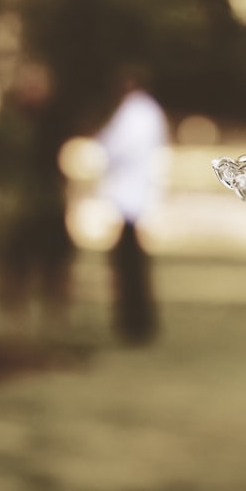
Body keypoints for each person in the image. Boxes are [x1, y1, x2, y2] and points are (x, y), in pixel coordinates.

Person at [96, 66, 169, 344]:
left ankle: (134, 323)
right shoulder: (147, 112)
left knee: (129, 267)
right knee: (133, 266)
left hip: (129, 200)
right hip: (135, 197)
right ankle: (136, 322)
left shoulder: (135, 113)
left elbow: (111, 147)